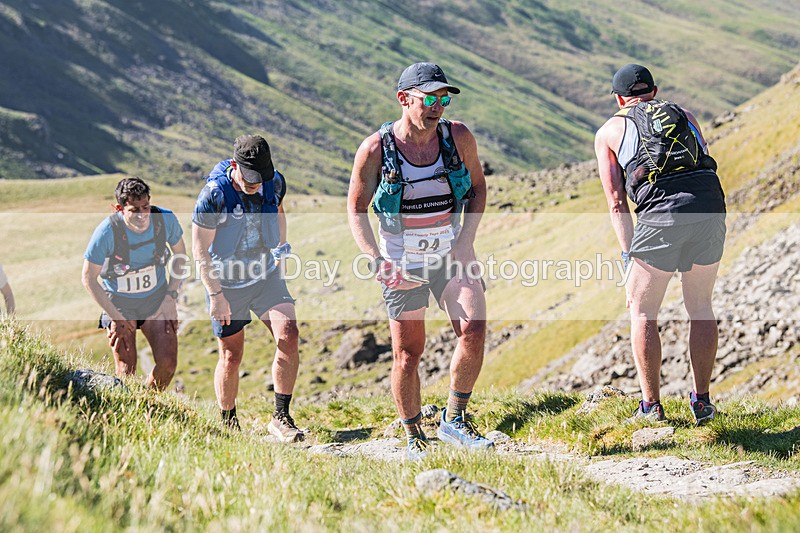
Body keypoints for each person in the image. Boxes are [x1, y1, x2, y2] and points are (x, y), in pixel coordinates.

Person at [347, 62, 493, 459]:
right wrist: (377, 261)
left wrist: (466, 242)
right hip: (401, 262)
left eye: (443, 99)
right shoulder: (376, 149)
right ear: (404, 99)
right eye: (429, 98)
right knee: (409, 353)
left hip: (449, 252)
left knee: (474, 328)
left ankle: (455, 419)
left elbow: (478, 189)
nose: (437, 107)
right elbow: (356, 209)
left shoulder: (457, 136)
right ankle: (414, 437)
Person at [594, 64, 726, 425]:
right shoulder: (685, 114)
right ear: (654, 90)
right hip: (710, 207)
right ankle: (702, 402)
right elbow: (703, 162)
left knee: (642, 309)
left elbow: (617, 201)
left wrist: (627, 255)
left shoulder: (609, 130)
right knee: (700, 305)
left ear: (619, 99)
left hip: (662, 216)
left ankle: (651, 407)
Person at [192, 134, 302, 442]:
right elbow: (200, 249)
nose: (255, 184)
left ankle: (281, 417)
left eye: (260, 178)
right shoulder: (214, 195)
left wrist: (280, 249)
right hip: (226, 285)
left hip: (266, 276)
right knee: (231, 355)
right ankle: (228, 423)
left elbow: (278, 211)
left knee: (289, 333)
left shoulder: (274, 181)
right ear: (234, 165)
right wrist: (215, 295)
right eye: (249, 179)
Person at [82, 177, 186, 390]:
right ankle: (129, 408)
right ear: (119, 208)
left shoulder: (164, 220)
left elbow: (181, 257)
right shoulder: (106, 232)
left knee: (168, 364)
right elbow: (88, 278)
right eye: (134, 210)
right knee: (125, 371)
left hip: (156, 300)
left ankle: (148, 405)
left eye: (145, 206)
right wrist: (114, 315)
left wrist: (170, 297)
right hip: (119, 303)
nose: (142, 215)